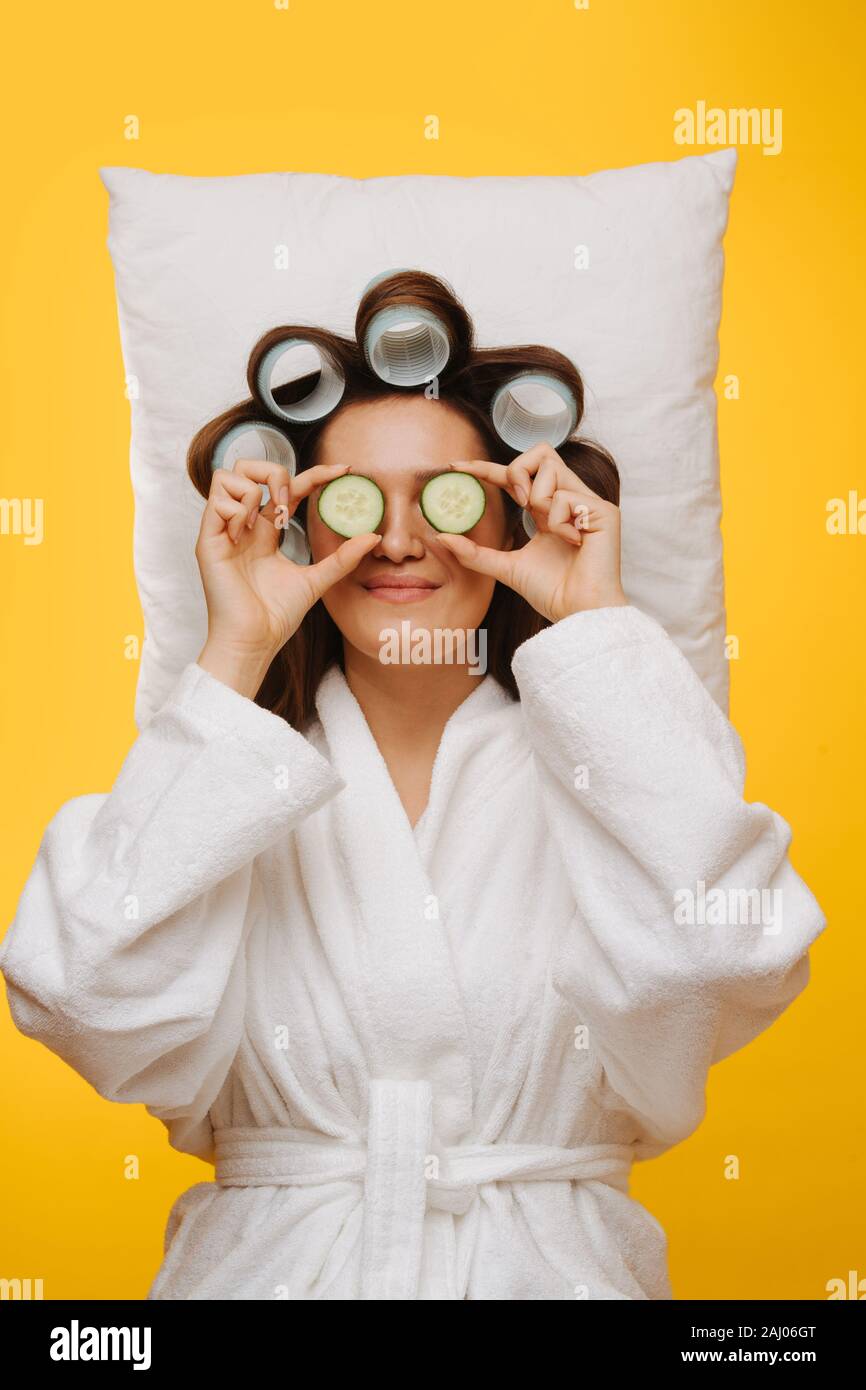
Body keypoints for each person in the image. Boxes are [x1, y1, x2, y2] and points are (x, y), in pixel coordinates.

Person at [0, 272, 827, 1300]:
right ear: (297, 524)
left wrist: (597, 623)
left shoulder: (600, 774)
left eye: (440, 497)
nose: (393, 540)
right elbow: (76, 990)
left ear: (509, 514)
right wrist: (231, 654)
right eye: (351, 502)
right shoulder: (226, 785)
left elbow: (724, 953)